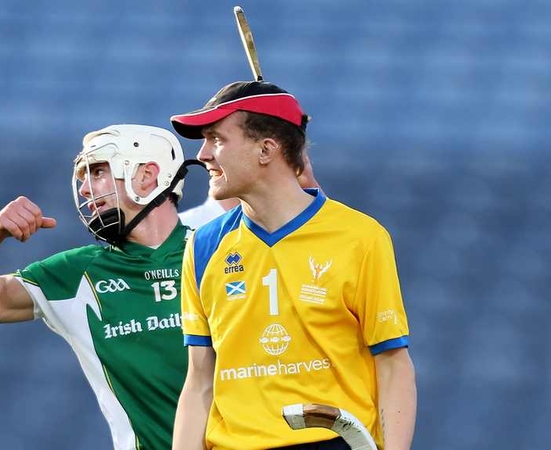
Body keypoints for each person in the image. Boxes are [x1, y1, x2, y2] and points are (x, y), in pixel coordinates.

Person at [169, 81, 417, 450]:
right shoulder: (203, 245)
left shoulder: (360, 237)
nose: (203, 155)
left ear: (266, 149)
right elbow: (199, 381)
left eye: (216, 139)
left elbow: (393, 362)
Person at [0, 124, 195, 450]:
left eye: (99, 172)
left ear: (147, 175)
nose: (86, 190)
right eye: (84, 177)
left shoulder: (217, 254)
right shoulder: (76, 274)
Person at [178, 150, 320, 229]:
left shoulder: (308, 227)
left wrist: (310, 185)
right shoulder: (184, 231)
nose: (202, 155)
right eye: (214, 139)